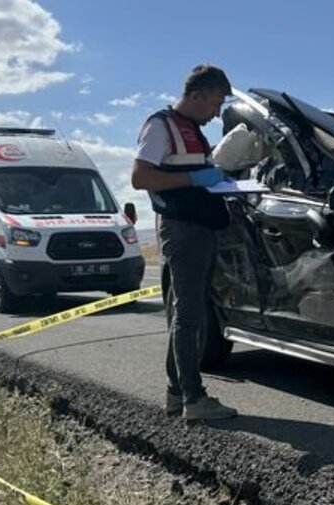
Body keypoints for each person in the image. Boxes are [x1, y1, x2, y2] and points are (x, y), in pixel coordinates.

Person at [132, 64, 238, 421]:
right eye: (215, 103)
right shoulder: (160, 126)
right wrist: (194, 179)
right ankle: (194, 398)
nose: (217, 112)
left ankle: (176, 394)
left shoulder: (191, 130)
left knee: (186, 312)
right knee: (189, 314)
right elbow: (140, 177)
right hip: (183, 229)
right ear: (196, 95)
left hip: (200, 227)